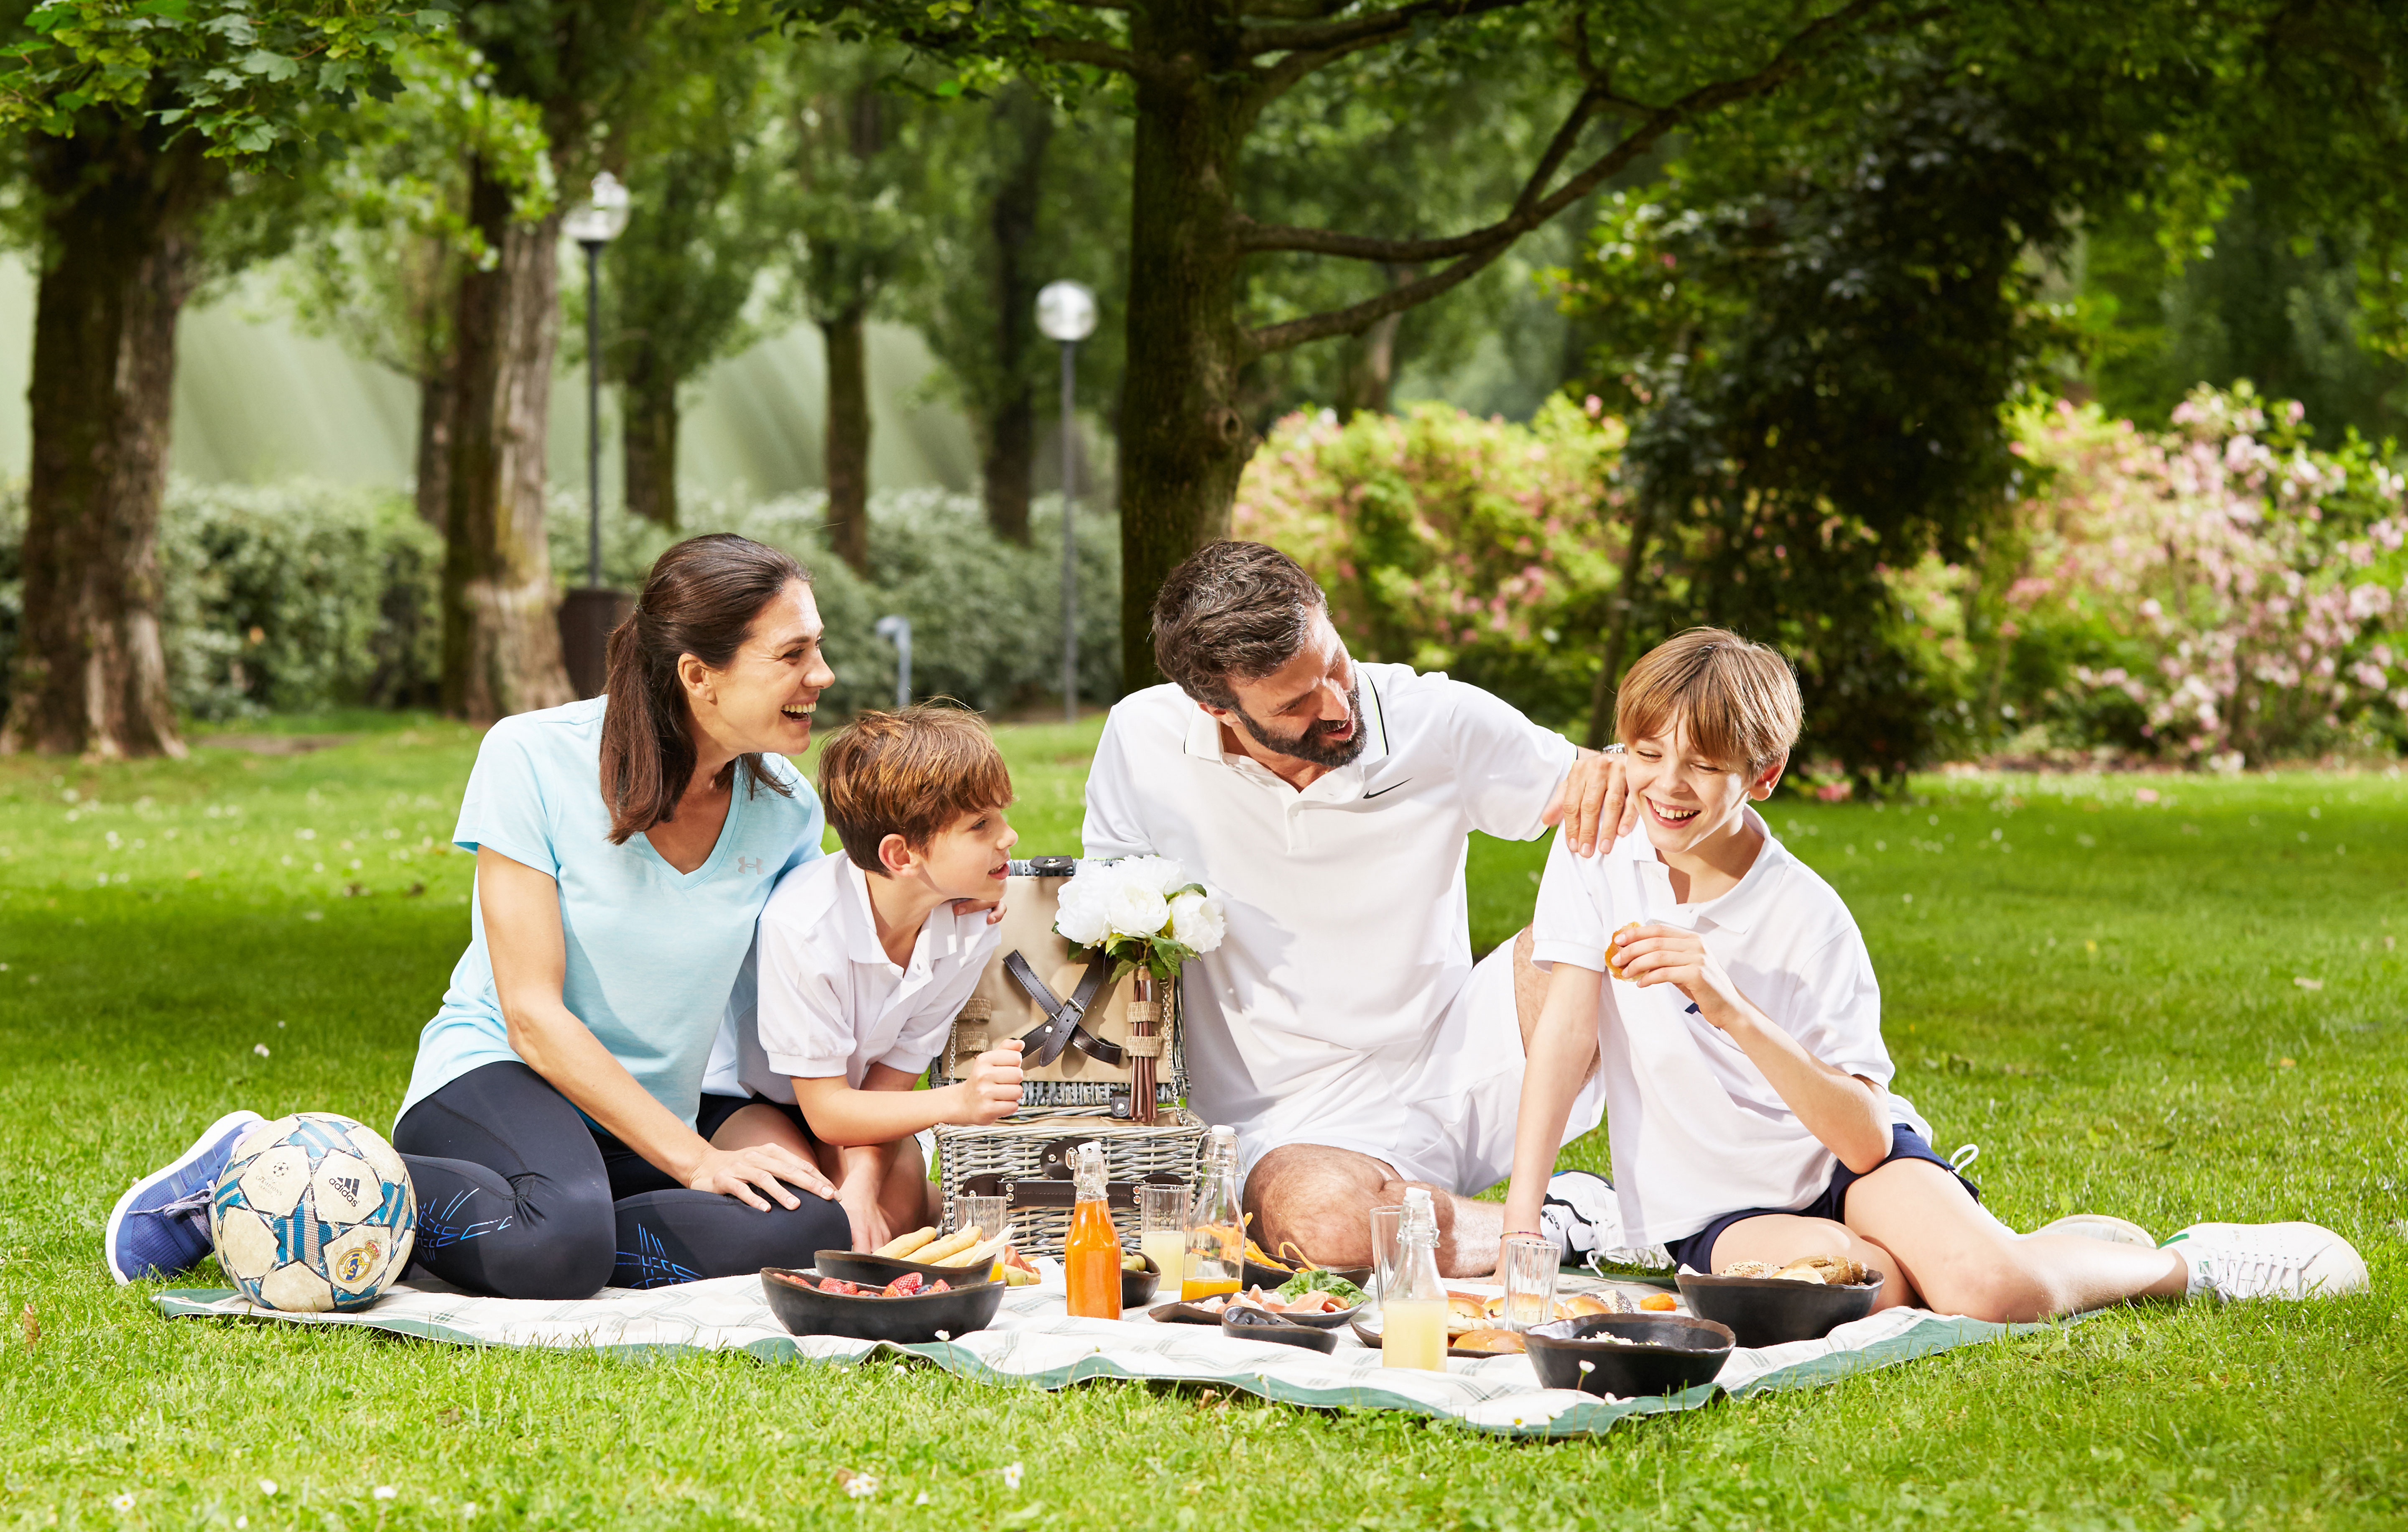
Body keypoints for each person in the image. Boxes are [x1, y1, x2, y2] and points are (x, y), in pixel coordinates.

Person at [1501, 627, 2369, 1316]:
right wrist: (1519, 1228)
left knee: (1997, 1296)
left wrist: (1724, 1004)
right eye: (1646, 753)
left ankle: (2184, 1262)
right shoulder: (1598, 854)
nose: (1665, 784)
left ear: (1762, 776)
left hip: (1855, 1168)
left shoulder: (1809, 916)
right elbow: (1566, 1036)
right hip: (1716, 1211)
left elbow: (1864, 1140)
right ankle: (2010, 1243)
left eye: (1703, 764)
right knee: (1870, 1287)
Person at [105, 534, 856, 1297]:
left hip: (645, 1122)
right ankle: (277, 1167)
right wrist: (697, 1165)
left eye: (818, 648)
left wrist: (841, 1156)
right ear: (700, 675)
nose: (821, 676)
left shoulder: (788, 811)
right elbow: (530, 1014)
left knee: (813, 1225)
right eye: (793, 655)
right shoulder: (532, 756)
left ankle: (551, 1227)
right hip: (500, 1076)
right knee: (561, 1242)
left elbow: (790, 1018)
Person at [1083, 540, 1641, 1279]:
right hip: (1290, 1121)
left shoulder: (1435, 719)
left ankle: (1698, 1194)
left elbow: (1603, 793)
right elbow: (1112, 940)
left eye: (1336, 666)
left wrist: (1619, 765)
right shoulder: (1141, 740)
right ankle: (1572, 1221)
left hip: (1462, 1053)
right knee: (1324, 1228)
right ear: (1216, 705)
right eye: (1296, 702)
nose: (1340, 706)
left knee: (1610, 942)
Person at [697, 704, 1029, 1251]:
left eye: (1001, 816)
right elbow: (826, 1112)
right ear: (900, 855)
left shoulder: (969, 927)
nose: (1010, 837)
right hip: (754, 1101)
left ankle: (907, 1202)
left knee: (880, 1220)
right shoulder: (804, 929)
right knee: (802, 1224)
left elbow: (888, 1084)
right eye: (981, 825)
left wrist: (862, 1186)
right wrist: (960, 1103)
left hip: (859, 1108)